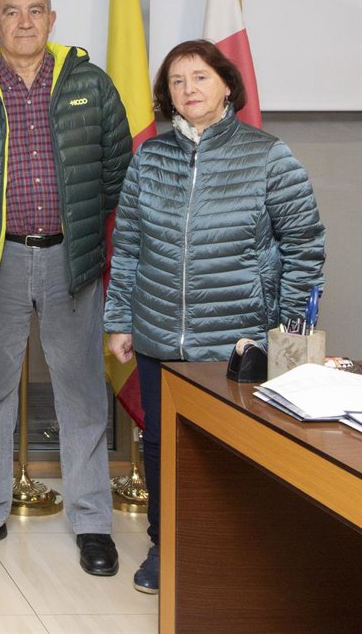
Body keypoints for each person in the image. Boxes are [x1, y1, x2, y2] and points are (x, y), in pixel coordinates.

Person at [105, 38, 325, 593]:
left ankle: (232, 554)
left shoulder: (267, 155)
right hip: (158, 333)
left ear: (227, 84)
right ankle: (165, 545)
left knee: (233, 448)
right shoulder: (150, 157)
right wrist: (120, 319)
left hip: (238, 341)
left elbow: (304, 246)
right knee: (160, 443)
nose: (189, 89)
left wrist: (287, 330)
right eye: (177, 81)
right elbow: (127, 246)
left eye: (200, 77)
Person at [0, 0, 131, 577]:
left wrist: (79, 228)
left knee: (82, 391)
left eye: (35, 11)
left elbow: (116, 171)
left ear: (52, 19)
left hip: (71, 259)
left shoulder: (91, 85)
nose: (24, 22)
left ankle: (92, 521)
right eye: (11, 12)